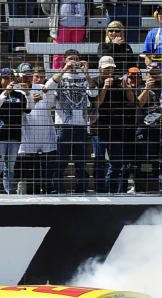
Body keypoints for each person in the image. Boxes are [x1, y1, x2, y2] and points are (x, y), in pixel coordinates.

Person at [44, 51, 97, 194]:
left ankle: (82, 190)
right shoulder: (59, 76)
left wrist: (86, 73)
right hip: (64, 125)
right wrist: (64, 70)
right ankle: (58, 190)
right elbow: (47, 88)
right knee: (61, 162)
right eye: (70, 60)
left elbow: (94, 93)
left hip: (81, 126)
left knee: (81, 163)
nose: (73, 62)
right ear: (64, 61)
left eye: (76, 60)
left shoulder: (84, 77)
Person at [94, 56, 136, 194]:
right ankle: (100, 191)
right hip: (99, 128)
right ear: (100, 69)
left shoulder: (120, 81)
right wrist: (105, 88)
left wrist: (127, 88)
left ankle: (111, 190)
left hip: (117, 128)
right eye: (106, 69)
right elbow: (96, 104)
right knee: (99, 163)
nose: (109, 71)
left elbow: (132, 101)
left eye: (111, 68)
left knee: (117, 164)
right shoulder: (95, 82)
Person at [0, 67, 31, 194]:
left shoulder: (19, 95)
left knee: (10, 167)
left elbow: (29, 109)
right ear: (0, 80)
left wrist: (28, 93)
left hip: (15, 135)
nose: (9, 80)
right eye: (6, 78)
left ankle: (9, 192)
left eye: (11, 78)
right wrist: (6, 92)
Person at [19, 64, 58, 194]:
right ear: (19, 77)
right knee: (31, 177)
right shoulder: (16, 90)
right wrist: (30, 97)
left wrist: (48, 92)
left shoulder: (42, 88)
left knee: (49, 171)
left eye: (30, 75)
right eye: (25, 76)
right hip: (28, 136)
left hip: (46, 134)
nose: (27, 78)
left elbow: (53, 103)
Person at [133, 62, 162, 193]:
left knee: (161, 161)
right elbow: (138, 104)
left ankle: (160, 188)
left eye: (157, 73)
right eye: (152, 73)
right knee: (144, 160)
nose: (155, 76)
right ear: (146, 74)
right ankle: (142, 189)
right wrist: (147, 88)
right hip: (145, 129)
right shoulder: (141, 86)